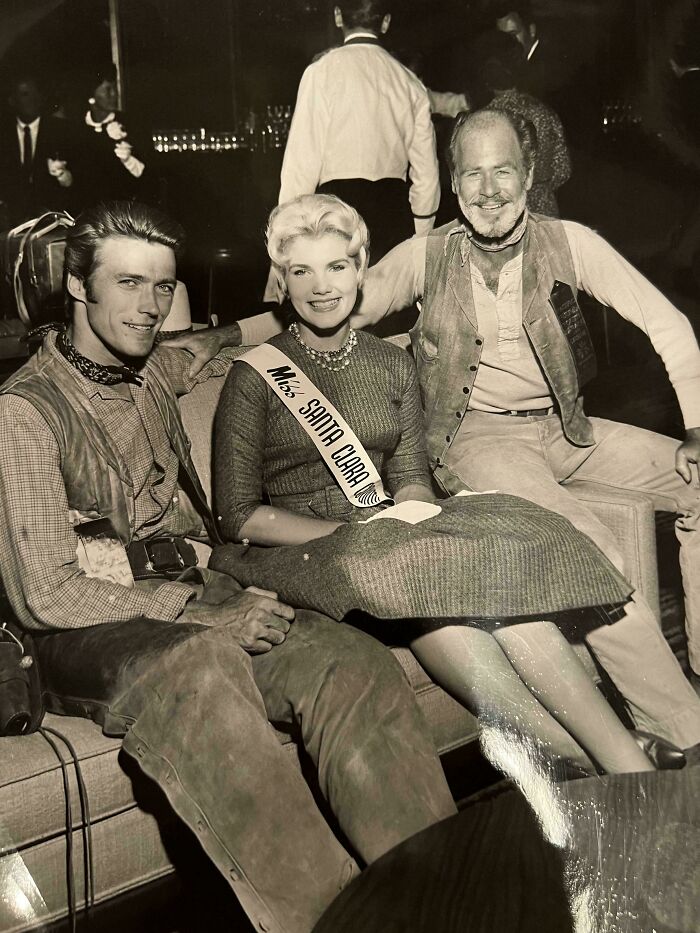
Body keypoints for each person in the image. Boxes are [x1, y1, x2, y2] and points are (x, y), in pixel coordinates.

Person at [181, 109, 700, 759]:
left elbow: (668, 321)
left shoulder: (571, 242)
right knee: (591, 551)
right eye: (472, 174)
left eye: (503, 171)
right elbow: (325, 297)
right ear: (453, 185)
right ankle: (686, 731)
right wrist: (217, 337)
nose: (488, 190)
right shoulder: (426, 255)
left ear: (530, 174)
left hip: (568, 427)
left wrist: (696, 428)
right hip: (480, 440)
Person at [0, 200, 458, 933]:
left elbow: (224, 337)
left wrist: (304, 289)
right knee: (203, 663)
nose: (150, 307)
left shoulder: (154, 364)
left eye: (162, 285)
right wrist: (202, 613)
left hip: (194, 586)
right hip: (88, 627)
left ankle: (448, 902)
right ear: (79, 287)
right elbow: (47, 593)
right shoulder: (24, 412)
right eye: (127, 284)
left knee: (347, 659)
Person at [275, 0, 440, 265]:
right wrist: (421, 235)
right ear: (385, 22)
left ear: (338, 16)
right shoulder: (409, 81)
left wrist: (286, 239)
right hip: (392, 216)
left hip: (336, 217)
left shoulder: (321, 72)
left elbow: (301, 164)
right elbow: (427, 173)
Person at [476, 30, 571, 215]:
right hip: (543, 211)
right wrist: (539, 189)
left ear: (486, 78)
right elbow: (563, 169)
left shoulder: (482, 122)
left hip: (502, 211)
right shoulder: (544, 113)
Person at [0, 73, 75, 225]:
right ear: (12, 101)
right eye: (25, 94)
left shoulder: (61, 130)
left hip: (53, 219)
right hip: (10, 222)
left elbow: (76, 178)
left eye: (36, 93)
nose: (33, 99)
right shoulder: (3, 134)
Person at [76, 66, 150, 205]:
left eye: (115, 88)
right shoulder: (77, 128)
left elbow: (146, 177)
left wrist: (127, 158)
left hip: (124, 210)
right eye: (108, 89)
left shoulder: (130, 124)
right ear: (91, 97)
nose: (114, 94)